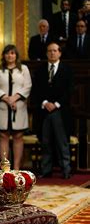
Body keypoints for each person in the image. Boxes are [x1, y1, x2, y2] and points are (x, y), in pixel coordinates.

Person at [33, 43, 74, 179]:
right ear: (46, 53)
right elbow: (36, 90)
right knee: (46, 142)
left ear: (59, 53)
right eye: (49, 51)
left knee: (62, 142)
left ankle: (66, 170)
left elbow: (69, 91)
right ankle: (46, 170)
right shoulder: (40, 70)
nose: (52, 53)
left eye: (54, 51)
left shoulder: (67, 69)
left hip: (60, 111)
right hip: (44, 111)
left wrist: (56, 104)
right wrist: (45, 103)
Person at [0, 45, 32, 171]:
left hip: (18, 107)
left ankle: (17, 168)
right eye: (8, 53)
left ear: (16, 56)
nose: (10, 56)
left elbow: (27, 86)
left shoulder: (23, 69)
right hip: (3, 107)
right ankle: (5, 168)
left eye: (13, 53)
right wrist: (7, 99)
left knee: (18, 136)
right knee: (3, 136)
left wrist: (15, 98)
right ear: (4, 55)